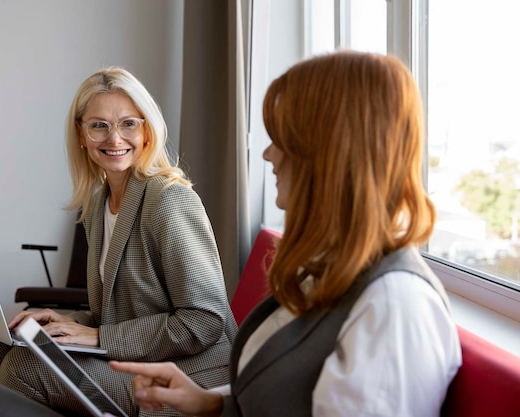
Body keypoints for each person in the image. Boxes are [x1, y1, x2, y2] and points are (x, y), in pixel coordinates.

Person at [109, 51, 463, 416]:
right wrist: (211, 403)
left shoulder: (393, 307)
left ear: (329, 156)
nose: (267, 155)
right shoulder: (334, 270)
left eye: (282, 140)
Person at [0, 66, 238, 417]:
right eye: (99, 125)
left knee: (24, 368)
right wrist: (63, 321)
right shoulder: (99, 205)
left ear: (147, 130)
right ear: (81, 134)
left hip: (192, 367)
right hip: (136, 353)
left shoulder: (169, 200)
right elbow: (118, 313)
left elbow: (204, 321)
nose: (114, 139)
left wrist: (100, 337)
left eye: (128, 123)